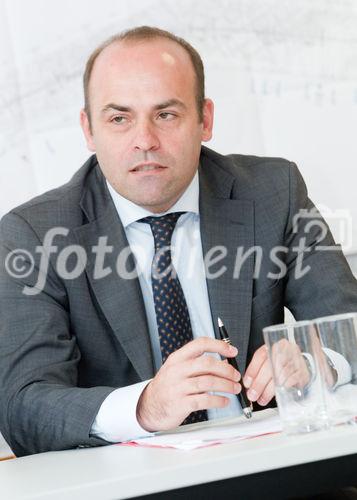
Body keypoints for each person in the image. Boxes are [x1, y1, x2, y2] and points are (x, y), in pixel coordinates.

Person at [0, 26, 356, 458]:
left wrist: (322, 366)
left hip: (270, 466)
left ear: (204, 120)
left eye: (166, 114)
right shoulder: (32, 235)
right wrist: (146, 406)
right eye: (119, 119)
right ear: (89, 130)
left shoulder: (273, 192)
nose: (145, 141)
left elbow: (348, 329)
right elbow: (24, 407)